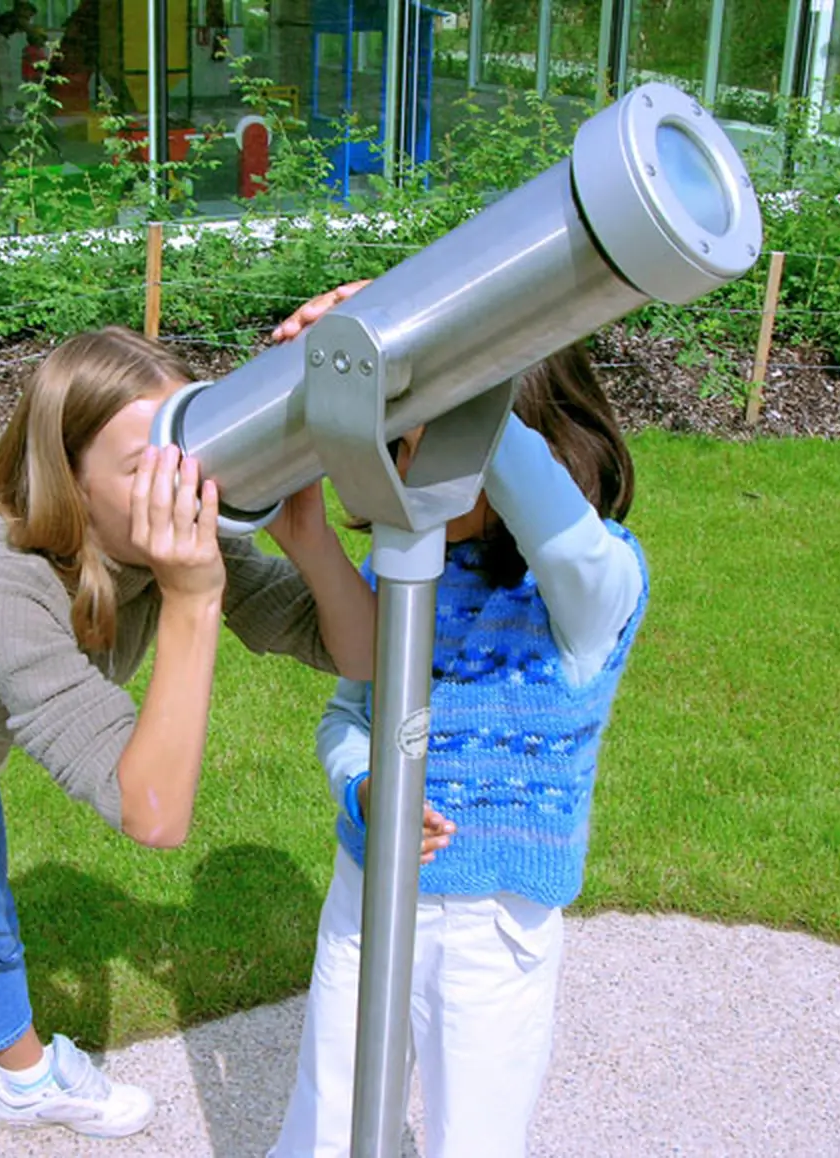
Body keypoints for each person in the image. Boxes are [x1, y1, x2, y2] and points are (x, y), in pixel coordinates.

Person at [0, 326, 375, 1158]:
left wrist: (307, 536)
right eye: (144, 466)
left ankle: (27, 1079)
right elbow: (151, 813)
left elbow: (362, 652)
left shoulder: (158, 542)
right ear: (70, 477)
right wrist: (192, 599)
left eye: (187, 449)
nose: (184, 484)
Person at [268, 284, 650, 1158]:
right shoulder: (404, 570)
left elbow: (558, 531)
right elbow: (350, 713)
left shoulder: (596, 589)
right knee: (325, 1123)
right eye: (399, 448)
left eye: (425, 444)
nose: (404, 473)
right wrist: (363, 784)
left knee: (473, 1137)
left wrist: (450, 359)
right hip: (369, 893)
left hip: (494, 931)